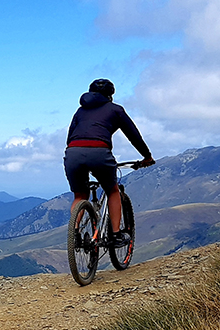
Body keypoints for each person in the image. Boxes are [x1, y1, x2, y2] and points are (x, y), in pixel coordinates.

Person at [64, 79, 154, 246]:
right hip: (99, 153)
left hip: (73, 152)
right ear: (110, 95)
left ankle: (74, 234)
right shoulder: (116, 110)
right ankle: (115, 234)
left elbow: (70, 138)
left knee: (80, 195)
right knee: (112, 191)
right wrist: (147, 156)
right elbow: (134, 136)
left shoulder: (80, 111)